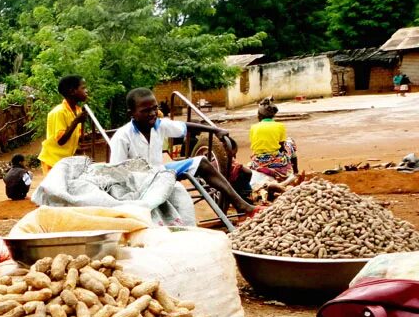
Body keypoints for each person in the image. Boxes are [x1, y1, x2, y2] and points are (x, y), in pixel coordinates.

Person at [109, 88, 255, 215]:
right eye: (146, 111)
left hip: (160, 172)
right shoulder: (122, 137)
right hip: (138, 181)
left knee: (202, 163)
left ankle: (241, 204)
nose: (153, 113)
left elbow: (185, 127)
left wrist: (215, 130)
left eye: (155, 108)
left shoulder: (159, 126)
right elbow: (115, 173)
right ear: (132, 113)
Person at [38, 75, 88, 175]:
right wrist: (76, 121)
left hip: (65, 161)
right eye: (83, 88)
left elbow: (75, 135)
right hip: (53, 160)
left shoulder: (77, 110)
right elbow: (61, 140)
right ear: (72, 91)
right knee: (57, 189)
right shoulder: (59, 112)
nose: (86, 91)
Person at [249, 102, 298, 180]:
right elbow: (282, 146)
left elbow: (255, 144)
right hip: (275, 160)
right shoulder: (280, 126)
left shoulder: (253, 127)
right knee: (290, 142)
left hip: (258, 161)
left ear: (260, 115)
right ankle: (295, 172)